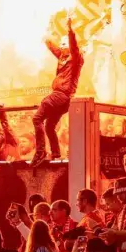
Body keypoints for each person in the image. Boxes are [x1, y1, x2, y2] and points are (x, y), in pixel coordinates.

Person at [32, 26, 83, 167]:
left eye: (64, 43)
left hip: (61, 95)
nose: (61, 45)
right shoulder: (62, 57)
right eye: (60, 43)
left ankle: (40, 151)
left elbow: (74, 47)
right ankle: (56, 154)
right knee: (49, 126)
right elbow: (52, 47)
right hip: (62, 99)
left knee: (37, 118)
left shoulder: (76, 59)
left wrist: (70, 30)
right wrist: (45, 35)